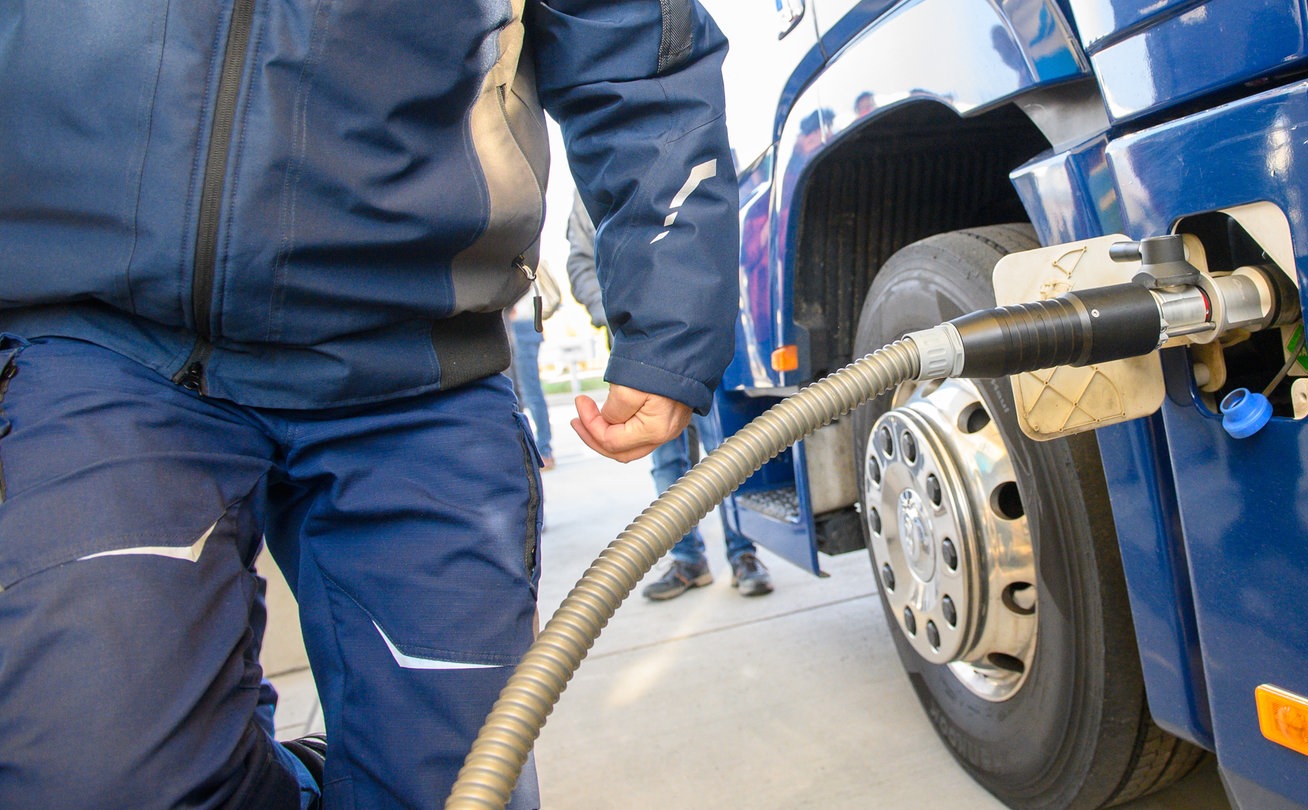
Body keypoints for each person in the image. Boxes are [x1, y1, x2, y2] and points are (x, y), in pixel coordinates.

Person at [0, 2, 739, 808]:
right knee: (97, 776)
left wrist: (670, 326)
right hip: (99, 337)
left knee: (454, 789)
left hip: (420, 360)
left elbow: (635, 45)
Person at [565, 192, 772, 600]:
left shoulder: (663, 170)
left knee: (724, 452)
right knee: (666, 461)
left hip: (694, 335)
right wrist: (609, 313)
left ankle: (744, 554)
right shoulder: (587, 188)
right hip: (636, 351)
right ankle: (687, 559)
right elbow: (580, 262)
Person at [505, 262, 557, 470]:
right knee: (516, 393)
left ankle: (544, 450)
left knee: (529, 391)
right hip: (512, 324)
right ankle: (526, 451)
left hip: (522, 323)